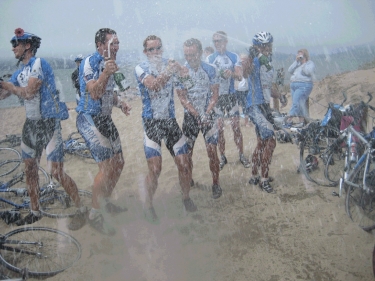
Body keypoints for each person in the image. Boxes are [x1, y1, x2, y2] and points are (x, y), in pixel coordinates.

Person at [0, 28, 87, 229]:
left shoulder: (39, 64)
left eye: (16, 43)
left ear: (27, 46)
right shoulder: (19, 72)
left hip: (48, 123)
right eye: (12, 44)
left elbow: (29, 92)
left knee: (56, 171)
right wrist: (3, 87)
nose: (13, 47)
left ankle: (82, 209)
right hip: (31, 124)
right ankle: (35, 211)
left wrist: (7, 85)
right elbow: (5, 95)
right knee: (30, 169)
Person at [134, 35, 197, 222]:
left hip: (170, 122)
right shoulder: (141, 67)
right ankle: (148, 205)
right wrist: (171, 70)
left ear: (162, 48)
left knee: (185, 164)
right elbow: (153, 85)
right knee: (155, 169)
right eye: (151, 49)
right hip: (152, 123)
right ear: (145, 52)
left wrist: (183, 71)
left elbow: (186, 80)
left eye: (158, 48)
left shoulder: (169, 64)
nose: (155, 52)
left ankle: (186, 198)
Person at [76, 28, 131, 235]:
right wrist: (106, 73)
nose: (116, 47)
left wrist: (120, 104)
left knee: (119, 163)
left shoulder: (111, 64)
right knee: (106, 168)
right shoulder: (90, 62)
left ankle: (105, 201)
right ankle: (94, 215)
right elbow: (95, 93)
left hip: (105, 119)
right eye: (112, 43)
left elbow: (109, 94)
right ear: (100, 45)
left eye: (117, 43)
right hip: (89, 118)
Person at [177, 38, 222, 199]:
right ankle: (189, 179)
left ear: (200, 53)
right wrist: (197, 114)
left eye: (193, 55)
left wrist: (207, 113)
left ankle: (216, 183)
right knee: (188, 153)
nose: (190, 58)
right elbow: (182, 97)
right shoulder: (182, 71)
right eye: (187, 55)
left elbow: (215, 94)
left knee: (212, 151)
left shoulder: (210, 69)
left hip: (209, 115)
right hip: (191, 117)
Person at [206, 31, 250, 170]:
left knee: (236, 127)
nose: (217, 44)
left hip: (231, 96)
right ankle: (223, 156)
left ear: (225, 41)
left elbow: (239, 76)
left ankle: (241, 154)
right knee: (219, 129)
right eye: (215, 41)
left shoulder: (233, 56)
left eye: (219, 41)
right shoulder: (209, 59)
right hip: (217, 97)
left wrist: (232, 74)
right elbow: (207, 79)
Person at [246, 32, 277, 194]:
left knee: (261, 142)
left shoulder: (268, 60)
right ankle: (264, 179)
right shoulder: (255, 60)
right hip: (254, 105)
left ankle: (254, 175)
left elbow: (268, 84)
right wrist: (251, 57)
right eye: (262, 46)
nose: (266, 48)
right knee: (271, 141)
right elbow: (245, 72)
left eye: (268, 45)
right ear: (257, 46)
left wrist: (280, 96)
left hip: (264, 104)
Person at [284, 49, 315, 128]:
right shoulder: (297, 63)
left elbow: (308, 72)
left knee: (296, 103)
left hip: (304, 84)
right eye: (298, 54)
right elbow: (290, 70)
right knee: (300, 103)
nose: (299, 56)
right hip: (293, 85)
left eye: (301, 54)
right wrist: (296, 61)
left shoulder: (310, 63)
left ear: (305, 55)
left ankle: (288, 120)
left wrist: (304, 63)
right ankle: (301, 121)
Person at [235, 54, 251, 127]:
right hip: (237, 90)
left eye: (244, 60)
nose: (242, 62)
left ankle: (246, 122)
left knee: (246, 107)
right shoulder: (237, 68)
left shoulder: (249, 68)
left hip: (246, 90)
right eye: (241, 60)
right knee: (235, 107)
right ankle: (236, 122)